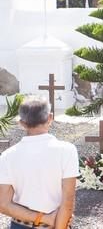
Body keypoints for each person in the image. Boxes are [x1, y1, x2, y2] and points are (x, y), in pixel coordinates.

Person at [0, 97, 77, 229]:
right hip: (59, 223)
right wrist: (52, 221)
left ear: (22, 123)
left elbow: (3, 204)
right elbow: (68, 201)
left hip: (20, 225)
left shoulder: (7, 156)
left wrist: (43, 218)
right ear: (50, 118)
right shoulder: (67, 150)